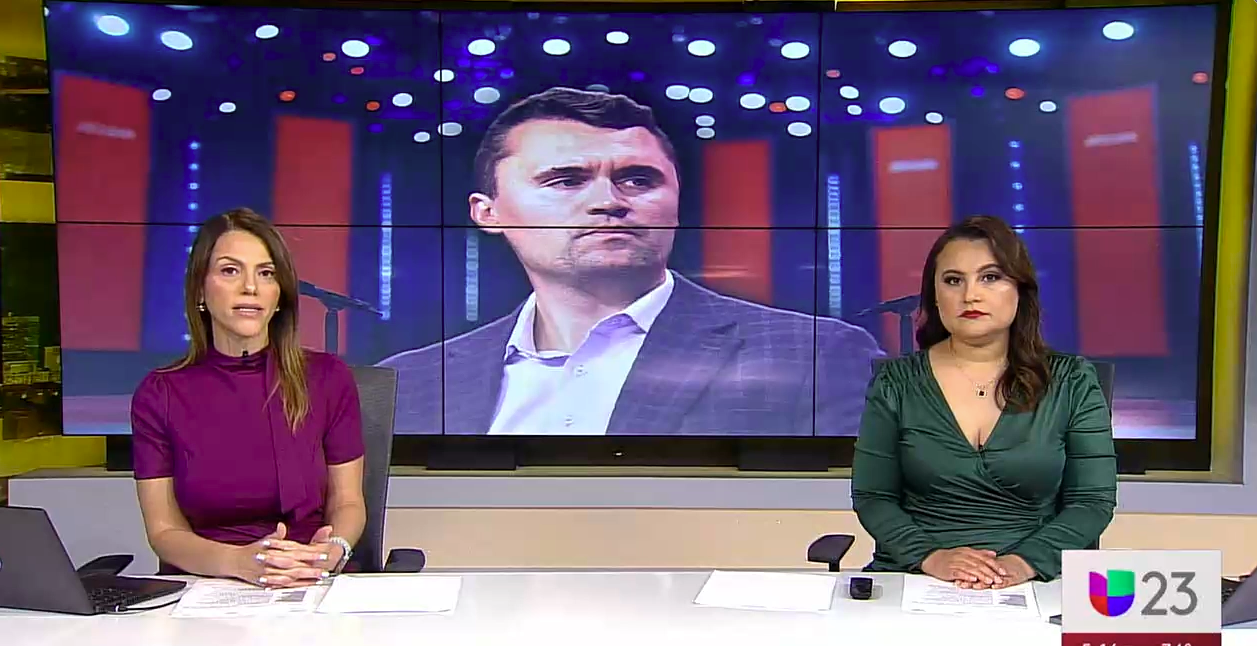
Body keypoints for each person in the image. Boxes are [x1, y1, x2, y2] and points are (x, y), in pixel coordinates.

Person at [379, 86, 882, 435]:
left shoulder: (816, 356)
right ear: (488, 214)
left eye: (639, 179)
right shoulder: (409, 382)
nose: (609, 201)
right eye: (566, 180)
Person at [851, 215, 1116, 586]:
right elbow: (873, 497)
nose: (970, 295)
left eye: (990, 277)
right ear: (935, 296)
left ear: (1020, 290)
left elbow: (1092, 502)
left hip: (1035, 581)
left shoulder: (1072, 381)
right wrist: (934, 558)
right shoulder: (897, 383)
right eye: (953, 280)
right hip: (916, 577)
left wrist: (1021, 564)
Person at [130, 208, 367, 588]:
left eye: (266, 273)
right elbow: (164, 531)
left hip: (309, 576)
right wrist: (239, 562)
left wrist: (331, 551)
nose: (250, 288)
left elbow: (349, 503)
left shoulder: (327, 378)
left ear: (279, 296)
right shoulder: (160, 393)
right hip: (207, 584)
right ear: (201, 289)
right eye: (230, 270)